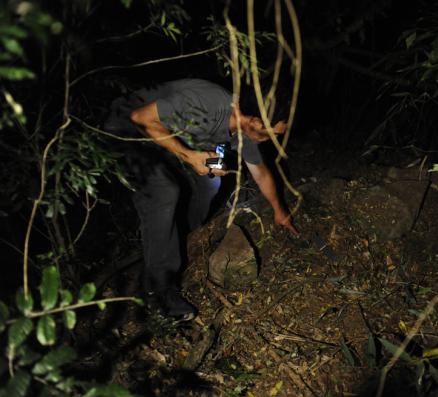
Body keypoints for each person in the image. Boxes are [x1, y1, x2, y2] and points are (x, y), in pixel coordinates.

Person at [104, 78, 298, 322]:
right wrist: (190, 156)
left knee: (212, 182)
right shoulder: (209, 102)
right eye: (271, 133)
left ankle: (180, 234)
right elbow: (140, 118)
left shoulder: (244, 131)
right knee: (165, 190)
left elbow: (261, 172)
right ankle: (158, 290)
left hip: (161, 138)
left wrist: (280, 212)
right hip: (125, 129)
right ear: (256, 120)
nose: (269, 139)